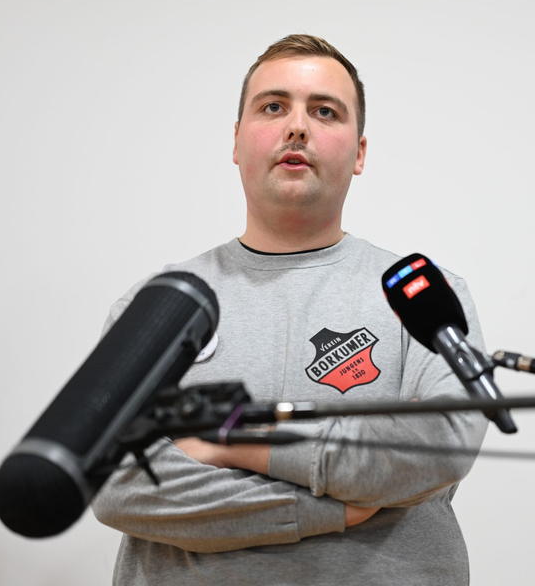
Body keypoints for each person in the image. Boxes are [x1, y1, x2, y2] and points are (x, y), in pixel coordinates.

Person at [92, 34, 488, 586]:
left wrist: (229, 442)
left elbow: (437, 449)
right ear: (236, 142)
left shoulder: (423, 295)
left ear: (360, 152)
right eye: (273, 106)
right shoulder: (157, 309)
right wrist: (329, 507)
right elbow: (115, 483)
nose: (297, 126)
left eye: (325, 111)